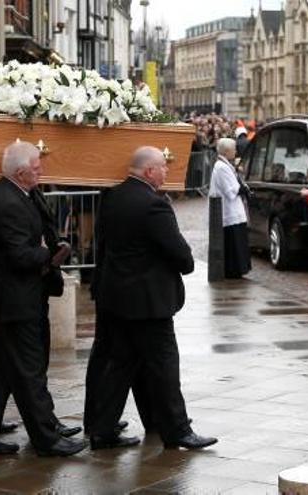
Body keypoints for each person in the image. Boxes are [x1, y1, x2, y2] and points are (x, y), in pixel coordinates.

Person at [87, 146, 217, 451]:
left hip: (117, 299)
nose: (166, 172)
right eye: (162, 168)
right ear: (148, 171)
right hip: (148, 303)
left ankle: (103, 429)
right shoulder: (153, 205)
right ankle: (178, 431)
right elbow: (180, 254)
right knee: (165, 366)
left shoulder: (113, 197)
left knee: (120, 366)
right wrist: (184, 264)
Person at [0, 140, 85, 458]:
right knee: (28, 370)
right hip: (14, 301)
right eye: (36, 168)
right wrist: (52, 254)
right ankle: (47, 439)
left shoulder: (11, 193)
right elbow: (20, 256)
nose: (41, 172)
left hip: (10, 299)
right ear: (20, 173)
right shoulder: (8, 202)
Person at [209, 138, 251, 278]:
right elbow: (230, 190)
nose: (236, 151)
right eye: (234, 149)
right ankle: (234, 270)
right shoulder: (221, 167)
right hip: (230, 211)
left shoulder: (225, 165)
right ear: (227, 152)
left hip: (234, 210)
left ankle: (238, 270)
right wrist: (244, 189)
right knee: (234, 244)